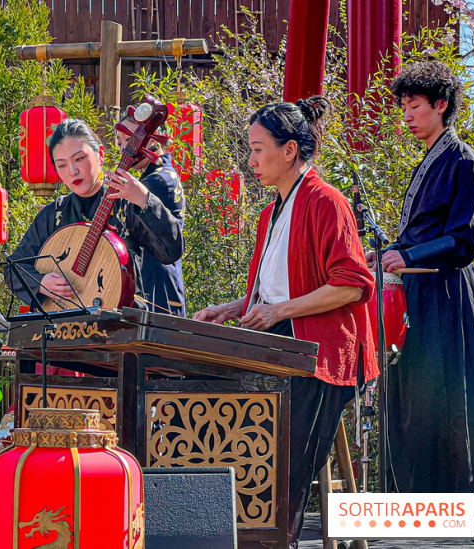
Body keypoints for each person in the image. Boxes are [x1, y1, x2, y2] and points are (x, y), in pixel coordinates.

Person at [192, 97, 377, 547]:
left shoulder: (326, 201)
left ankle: (275, 536)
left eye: (258, 149)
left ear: (289, 150)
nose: (250, 159)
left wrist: (277, 312)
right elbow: (276, 287)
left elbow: (352, 285)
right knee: (218, 420)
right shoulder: (269, 213)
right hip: (280, 344)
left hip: (321, 352)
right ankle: (232, 531)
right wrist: (235, 307)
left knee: (275, 452)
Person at [369, 61, 474, 494]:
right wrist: (386, 253)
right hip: (420, 293)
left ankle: (449, 513)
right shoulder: (430, 161)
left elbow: (463, 240)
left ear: (440, 105)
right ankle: (412, 506)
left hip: (449, 296)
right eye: (404, 107)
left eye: (414, 106)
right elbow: (417, 234)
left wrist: (408, 253)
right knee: (414, 400)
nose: (407, 115)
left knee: (445, 400)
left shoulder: (464, 162)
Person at [5, 118, 184, 311]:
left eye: (79, 159)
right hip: (65, 331)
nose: (72, 171)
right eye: (62, 165)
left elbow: (170, 250)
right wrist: (40, 282)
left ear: (100, 154)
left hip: (122, 326)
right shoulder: (54, 213)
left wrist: (144, 200)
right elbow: (14, 268)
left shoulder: (126, 202)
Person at [116, 109, 187, 316]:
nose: (123, 149)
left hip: (155, 291)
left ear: (150, 138)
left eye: (129, 140)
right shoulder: (163, 175)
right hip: (165, 287)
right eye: (120, 142)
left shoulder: (155, 182)